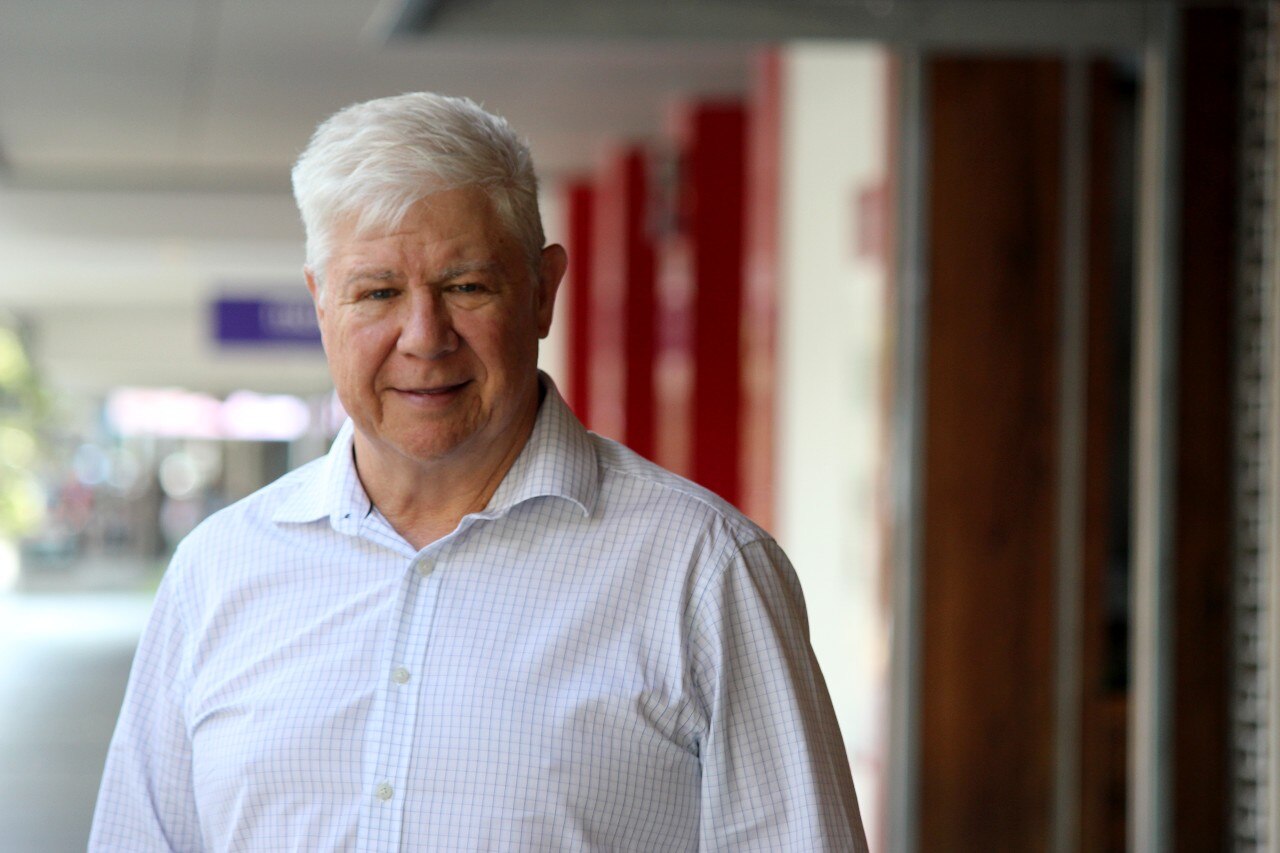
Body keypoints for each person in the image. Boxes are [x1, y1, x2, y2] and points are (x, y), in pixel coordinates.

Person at [90, 92, 869, 851]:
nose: (424, 337)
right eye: (378, 292)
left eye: (466, 286)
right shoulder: (217, 572)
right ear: (320, 302)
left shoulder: (701, 571)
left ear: (542, 293)